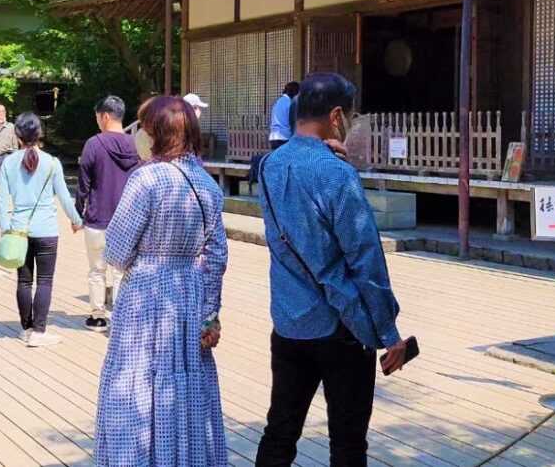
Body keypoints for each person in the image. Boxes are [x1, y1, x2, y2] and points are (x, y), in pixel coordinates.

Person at [255, 73, 407, 467]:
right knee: (347, 442)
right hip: (342, 330)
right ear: (336, 116)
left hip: (289, 322)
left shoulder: (269, 166)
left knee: (280, 431)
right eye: (352, 119)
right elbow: (365, 259)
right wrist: (388, 334)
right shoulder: (338, 174)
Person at [94, 96, 228, 467]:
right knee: (183, 385)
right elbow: (217, 256)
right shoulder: (207, 184)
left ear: (157, 134)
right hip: (189, 294)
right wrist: (210, 313)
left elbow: (117, 251)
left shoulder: (146, 178)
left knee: (136, 382)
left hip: (146, 293)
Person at [0, 112, 83, 348]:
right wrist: (77, 219)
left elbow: (1, 201)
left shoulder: (8, 162)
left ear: (17, 135)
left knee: (23, 282)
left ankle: (25, 329)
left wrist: (5, 230)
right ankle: (39, 331)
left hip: (18, 232)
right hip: (46, 230)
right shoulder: (52, 163)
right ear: (40, 134)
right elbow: (64, 197)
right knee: (44, 281)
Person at [75, 96, 141, 332]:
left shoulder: (94, 144)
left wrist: (77, 213)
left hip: (98, 217)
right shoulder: (135, 145)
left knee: (97, 271)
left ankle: (98, 316)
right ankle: (122, 316)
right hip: (127, 220)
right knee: (124, 271)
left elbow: (83, 184)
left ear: (104, 116)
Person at [268, 82, 300, 150]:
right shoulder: (290, 104)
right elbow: (294, 122)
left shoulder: (278, 101)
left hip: (274, 136)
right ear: (294, 92)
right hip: (285, 137)